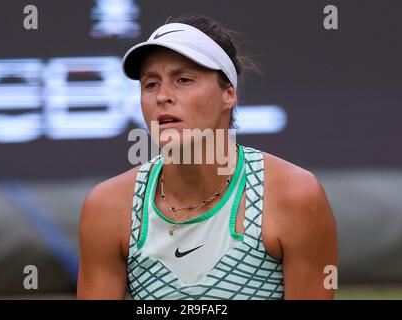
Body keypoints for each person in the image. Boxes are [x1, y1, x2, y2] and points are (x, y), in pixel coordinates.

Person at [77, 14, 338, 300]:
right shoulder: (107, 207)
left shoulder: (296, 196)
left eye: (184, 80)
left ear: (229, 94)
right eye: (151, 84)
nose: (162, 95)